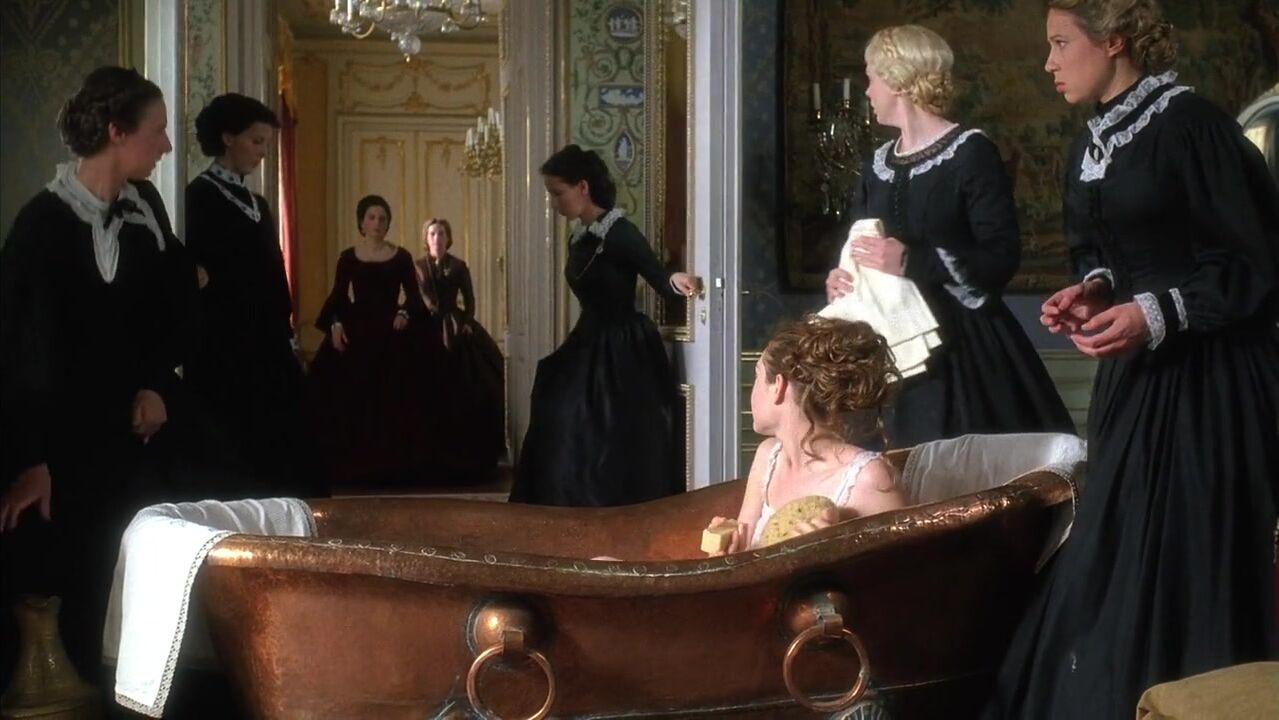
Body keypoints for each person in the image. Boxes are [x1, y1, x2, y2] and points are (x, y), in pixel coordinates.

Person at [983, 2, 1279, 717]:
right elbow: (1109, 253)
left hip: (1209, 385)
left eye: (1061, 43)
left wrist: (1153, 313)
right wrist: (1090, 291)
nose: (1049, 63)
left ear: (1112, 39)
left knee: (1188, 555)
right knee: (1113, 550)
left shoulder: (1192, 125)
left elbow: (1252, 263)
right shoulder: (1094, 141)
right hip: (1133, 382)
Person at [0, 66, 186, 690]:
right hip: (59, 449)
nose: (165, 144)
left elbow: (172, 313)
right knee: (67, 591)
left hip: (133, 440)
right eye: (157, 130)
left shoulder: (145, 210)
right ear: (116, 131)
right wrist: (34, 460)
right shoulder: (41, 225)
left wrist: (158, 384)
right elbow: (20, 351)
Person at [825, 25, 1074, 448]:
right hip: (887, 349)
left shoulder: (970, 153)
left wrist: (911, 260)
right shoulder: (875, 167)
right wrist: (842, 278)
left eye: (871, 77)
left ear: (897, 79)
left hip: (963, 351)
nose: (867, 91)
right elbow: (856, 245)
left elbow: (1002, 257)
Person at [509, 145, 701, 507]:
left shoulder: (620, 231)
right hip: (588, 337)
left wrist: (677, 279)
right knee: (556, 403)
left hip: (621, 345)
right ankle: (562, 505)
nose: (554, 203)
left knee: (601, 425)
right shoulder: (580, 236)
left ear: (583, 187)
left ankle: (604, 508)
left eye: (558, 193)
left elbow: (656, 275)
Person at [183, 92, 308, 499]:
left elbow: (274, 273)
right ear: (228, 138)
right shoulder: (197, 197)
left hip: (267, 342)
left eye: (266, 144)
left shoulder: (259, 204)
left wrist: (285, 330)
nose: (262, 152)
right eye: (256, 141)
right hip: (223, 345)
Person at [706, 316, 908, 554]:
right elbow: (747, 558)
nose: (751, 389)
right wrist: (726, 553)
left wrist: (826, 555)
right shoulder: (768, 456)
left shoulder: (869, 479)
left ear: (778, 386)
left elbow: (905, 571)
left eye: (757, 375)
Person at [307, 195, 431, 490]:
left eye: (382, 218)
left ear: (388, 224)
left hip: (391, 334)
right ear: (361, 223)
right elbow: (338, 297)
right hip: (357, 331)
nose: (377, 223)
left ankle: (394, 467)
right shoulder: (348, 258)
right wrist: (336, 324)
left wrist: (404, 313)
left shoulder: (401, 257)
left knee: (395, 398)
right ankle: (351, 467)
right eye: (372, 217)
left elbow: (414, 296)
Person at [415, 218, 506, 480]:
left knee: (470, 380)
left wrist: (466, 322)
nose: (437, 238)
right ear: (426, 238)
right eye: (433, 233)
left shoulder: (458, 266)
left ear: (448, 238)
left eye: (442, 233)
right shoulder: (417, 266)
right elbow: (413, 298)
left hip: (454, 325)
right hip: (426, 327)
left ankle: (467, 449)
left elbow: (470, 299)